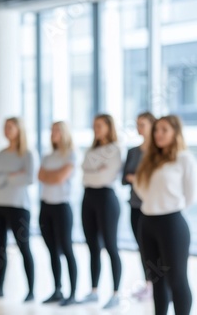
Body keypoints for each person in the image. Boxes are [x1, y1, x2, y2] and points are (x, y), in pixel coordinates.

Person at [134, 115, 197, 315]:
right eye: (156, 130)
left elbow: (191, 195)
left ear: (175, 133)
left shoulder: (184, 158)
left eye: (164, 130)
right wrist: (154, 203)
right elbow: (140, 186)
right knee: (156, 280)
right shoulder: (150, 159)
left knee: (177, 279)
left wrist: (168, 205)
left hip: (171, 224)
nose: (158, 134)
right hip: (147, 222)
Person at [0, 117, 35, 302]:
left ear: (18, 130)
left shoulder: (27, 154)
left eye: (10, 127)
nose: (6, 130)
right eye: (4, 127)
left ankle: (31, 290)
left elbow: (29, 178)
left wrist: (3, 177)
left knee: (24, 248)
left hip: (19, 207)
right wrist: (13, 175)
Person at [80, 114, 122, 309]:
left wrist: (93, 170)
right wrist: (95, 170)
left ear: (108, 127)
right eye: (94, 125)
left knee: (111, 247)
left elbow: (105, 175)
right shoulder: (91, 149)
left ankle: (115, 293)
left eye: (100, 125)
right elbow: (85, 173)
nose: (96, 128)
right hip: (88, 198)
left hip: (106, 199)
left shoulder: (114, 149)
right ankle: (94, 291)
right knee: (92, 247)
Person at [38, 121, 78, 306]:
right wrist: (53, 175)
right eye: (51, 130)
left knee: (67, 249)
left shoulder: (71, 155)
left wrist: (51, 175)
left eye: (57, 130)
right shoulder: (47, 156)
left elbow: (60, 178)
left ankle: (73, 293)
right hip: (46, 207)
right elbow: (40, 176)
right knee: (52, 251)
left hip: (62, 207)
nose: (53, 133)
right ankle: (57, 289)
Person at [121, 112, 156, 300]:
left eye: (142, 124)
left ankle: (158, 285)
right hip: (135, 206)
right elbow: (125, 178)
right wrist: (137, 178)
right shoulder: (133, 151)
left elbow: (153, 180)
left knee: (154, 248)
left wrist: (136, 178)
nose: (138, 128)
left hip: (152, 207)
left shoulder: (157, 152)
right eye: (137, 124)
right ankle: (148, 284)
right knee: (142, 247)